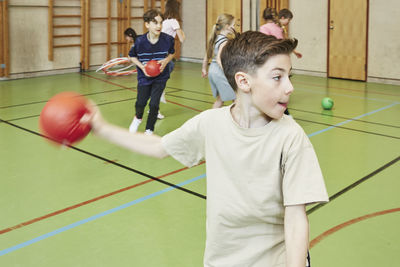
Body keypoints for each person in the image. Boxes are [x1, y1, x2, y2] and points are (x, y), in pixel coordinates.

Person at [83, 31, 329, 267]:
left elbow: (296, 218)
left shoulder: (291, 136)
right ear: (243, 81)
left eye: (289, 76)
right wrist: (102, 128)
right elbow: (159, 147)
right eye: (278, 77)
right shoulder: (211, 123)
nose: (289, 87)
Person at [127, 9, 175, 135]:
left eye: (160, 23)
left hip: (160, 77)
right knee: (141, 102)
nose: (159, 26)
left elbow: (172, 53)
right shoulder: (139, 41)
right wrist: (142, 67)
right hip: (144, 77)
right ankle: (138, 118)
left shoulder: (168, 39)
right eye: (155, 23)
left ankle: (149, 129)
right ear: (147, 24)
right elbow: (132, 56)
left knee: (154, 104)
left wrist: (166, 61)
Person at [151, 0, 186, 119]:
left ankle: (159, 95)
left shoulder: (163, 22)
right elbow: (182, 39)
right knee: (160, 83)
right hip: (163, 56)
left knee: (162, 78)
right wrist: (182, 32)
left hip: (157, 53)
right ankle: (155, 108)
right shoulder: (174, 22)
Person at [201, 14, 236, 109]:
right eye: (233, 25)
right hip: (220, 72)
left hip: (213, 70)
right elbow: (219, 59)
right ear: (228, 27)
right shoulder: (224, 41)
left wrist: (204, 68)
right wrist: (227, 72)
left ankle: (211, 119)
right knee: (236, 99)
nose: (234, 27)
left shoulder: (215, 38)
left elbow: (207, 55)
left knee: (220, 99)